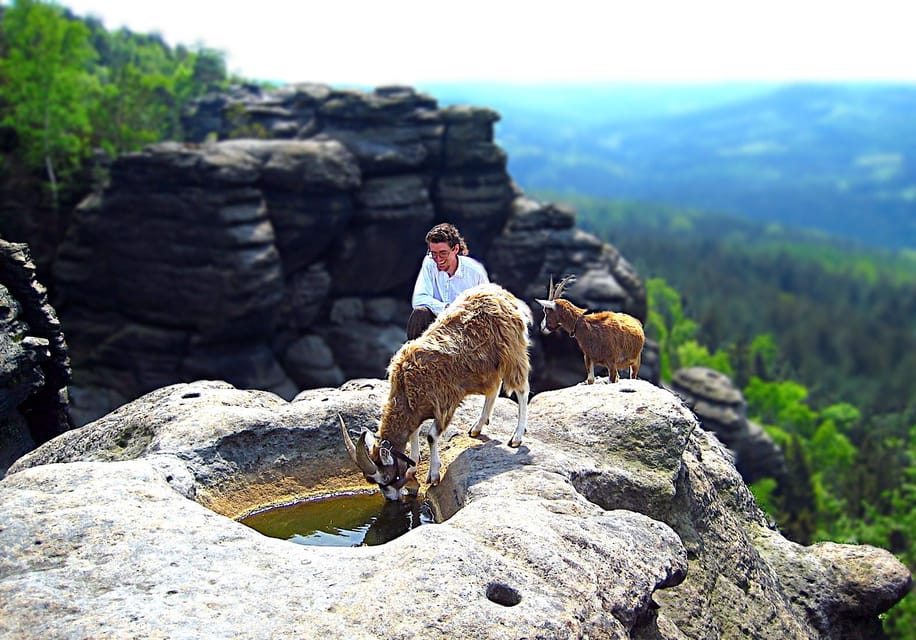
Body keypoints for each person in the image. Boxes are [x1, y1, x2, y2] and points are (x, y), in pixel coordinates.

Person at [407, 223, 489, 339]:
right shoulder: (429, 262)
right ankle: (413, 355)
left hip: (466, 327)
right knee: (420, 314)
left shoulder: (475, 271)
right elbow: (419, 299)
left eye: (443, 253)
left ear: (455, 249)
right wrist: (447, 309)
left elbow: (487, 307)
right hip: (437, 321)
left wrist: (461, 316)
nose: (438, 259)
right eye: (434, 254)